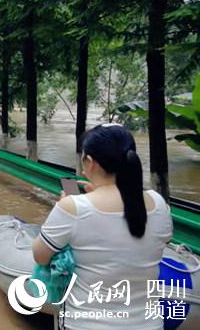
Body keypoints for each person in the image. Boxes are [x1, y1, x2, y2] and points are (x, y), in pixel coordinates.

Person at [32, 124, 173, 329]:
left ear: (90, 162)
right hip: (148, 324)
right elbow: (160, 241)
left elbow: (40, 256)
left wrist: (69, 205)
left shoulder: (72, 207)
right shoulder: (158, 203)